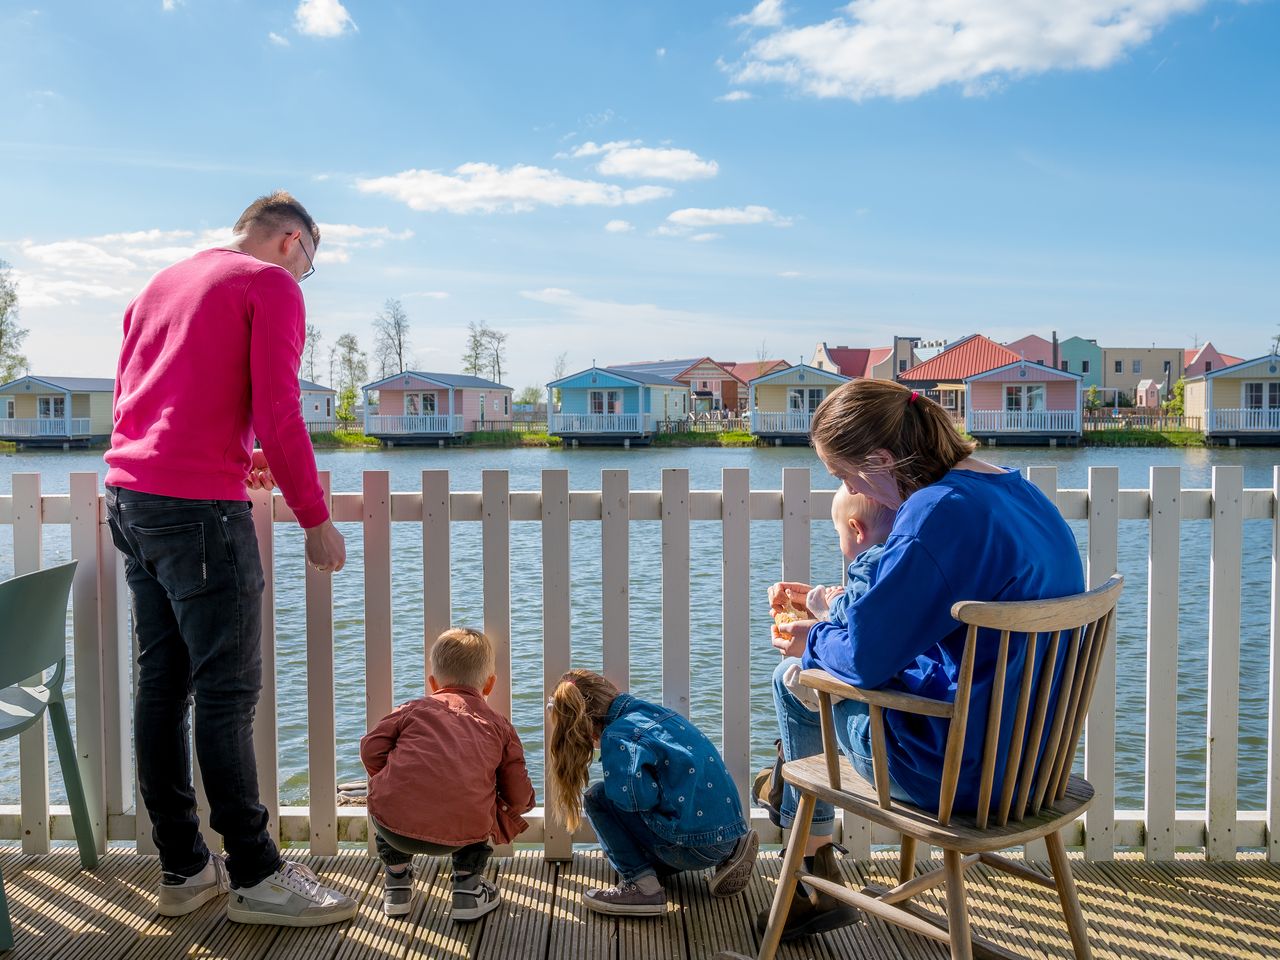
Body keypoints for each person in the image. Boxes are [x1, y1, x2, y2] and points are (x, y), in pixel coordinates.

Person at [104, 191, 354, 926]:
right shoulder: (268, 283)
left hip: (132, 496)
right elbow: (279, 406)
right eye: (310, 263)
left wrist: (227, 455)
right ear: (291, 242)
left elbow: (141, 399)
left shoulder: (163, 283)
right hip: (199, 518)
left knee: (163, 685)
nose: (304, 278)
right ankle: (255, 876)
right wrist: (315, 518)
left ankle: (183, 869)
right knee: (226, 694)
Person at [763, 379, 1084, 941]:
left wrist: (810, 639)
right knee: (832, 669)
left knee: (794, 677)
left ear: (882, 459)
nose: (846, 487)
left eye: (844, 475)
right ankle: (789, 795)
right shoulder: (1020, 494)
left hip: (962, 775)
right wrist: (833, 607)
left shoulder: (936, 511)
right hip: (1036, 765)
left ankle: (809, 867)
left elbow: (863, 659)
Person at [546, 669, 758, 916]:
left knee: (597, 798)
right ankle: (732, 852)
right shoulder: (655, 713)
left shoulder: (617, 736)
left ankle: (642, 886)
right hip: (728, 832)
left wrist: (617, 776)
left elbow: (637, 799)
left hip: (693, 848)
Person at [360, 628, 535, 921]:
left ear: (432, 683)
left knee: (389, 797)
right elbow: (516, 791)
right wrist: (520, 805)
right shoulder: (499, 726)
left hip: (395, 830)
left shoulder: (412, 709)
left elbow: (370, 748)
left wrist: (387, 775)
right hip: (463, 833)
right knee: (480, 802)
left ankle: (397, 884)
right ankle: (467, 890)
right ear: (490, 684)